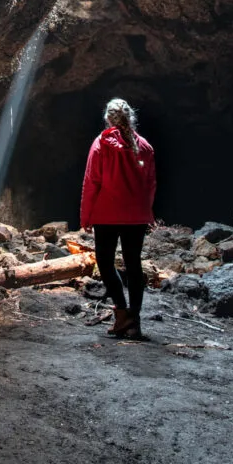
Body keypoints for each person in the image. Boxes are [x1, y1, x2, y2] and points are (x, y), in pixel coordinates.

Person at [80, 98, 156, 339]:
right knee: (134, 264)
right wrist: (146, 211)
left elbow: (92, 181)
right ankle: (134, 321)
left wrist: (86, 214)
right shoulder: (144, 146)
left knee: (105, 262)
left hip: (107, 213)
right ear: (130, 117)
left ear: (107, 119)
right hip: (136, 216)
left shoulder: (101, 144)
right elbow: (151, 184)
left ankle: (121, 314)